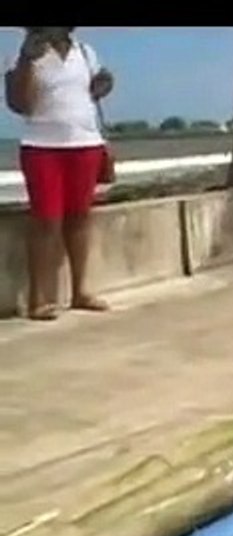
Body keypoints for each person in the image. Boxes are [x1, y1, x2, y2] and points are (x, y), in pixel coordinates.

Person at [4, 27, 114, 321]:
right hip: (42, 147)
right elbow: (19, 104)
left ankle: (81, 291)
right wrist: (27, 60)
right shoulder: (20, 56)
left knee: (80, 218)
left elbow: (98, 84)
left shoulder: (85, 52)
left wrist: (104, 83)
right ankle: (39, 299)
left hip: (85, 143)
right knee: (46, 220)